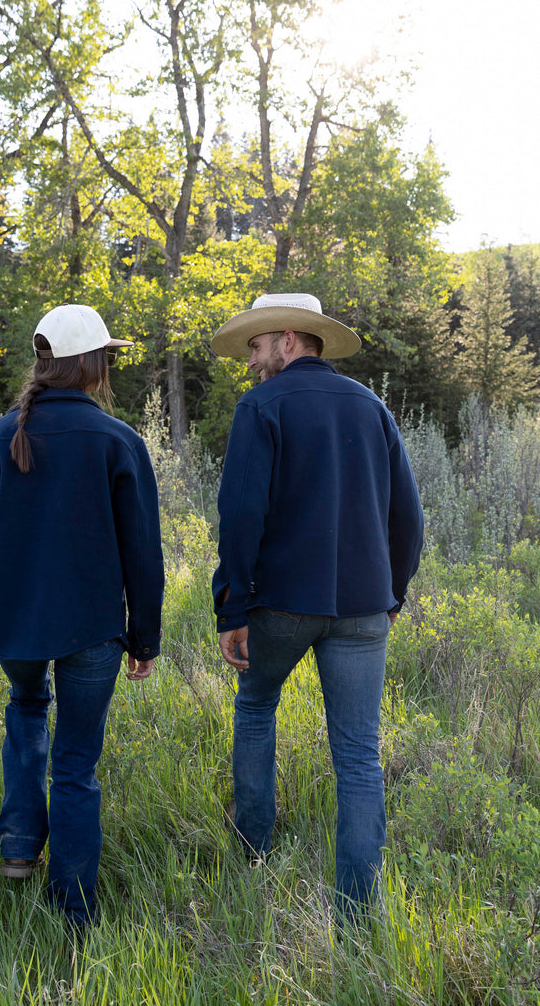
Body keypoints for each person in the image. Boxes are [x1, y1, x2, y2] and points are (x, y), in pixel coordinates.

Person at [0, 303, 164, 929]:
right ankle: (73, 908)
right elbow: (143, 554)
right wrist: (144, 638)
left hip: (14, 627)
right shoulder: (118, 441)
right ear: (92, 364)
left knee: (26, 705)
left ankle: (19, 844)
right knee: (75, 765)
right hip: (94, 629)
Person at [210, 293, 423, 921]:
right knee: (358, 754)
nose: (251, 360)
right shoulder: (372, 407)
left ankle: (253, 851)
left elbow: (241, 516)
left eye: (256, 346)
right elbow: (408, 518)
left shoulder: (261, 406)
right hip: (364, 607)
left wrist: (232, 608)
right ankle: (357, 915)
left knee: (256, 707)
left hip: (280, 602)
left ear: (288, 338)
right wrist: (392, 593)